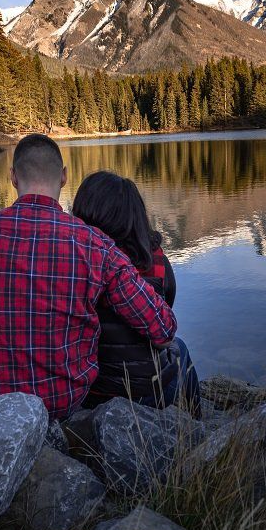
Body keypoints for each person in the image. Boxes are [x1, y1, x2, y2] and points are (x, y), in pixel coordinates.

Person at [0, 134, 177, 419]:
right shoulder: (97, 245)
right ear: (64, 177)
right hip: (62, 403)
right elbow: (163, 329)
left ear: (13, 177)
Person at [71, 171, 201, 417]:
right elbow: (165, 316)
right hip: (147, 392)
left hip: (88, 391)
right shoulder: (156, 262)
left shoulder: (72, 264)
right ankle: (196, 425)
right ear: (135, 215)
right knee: (180, 348)